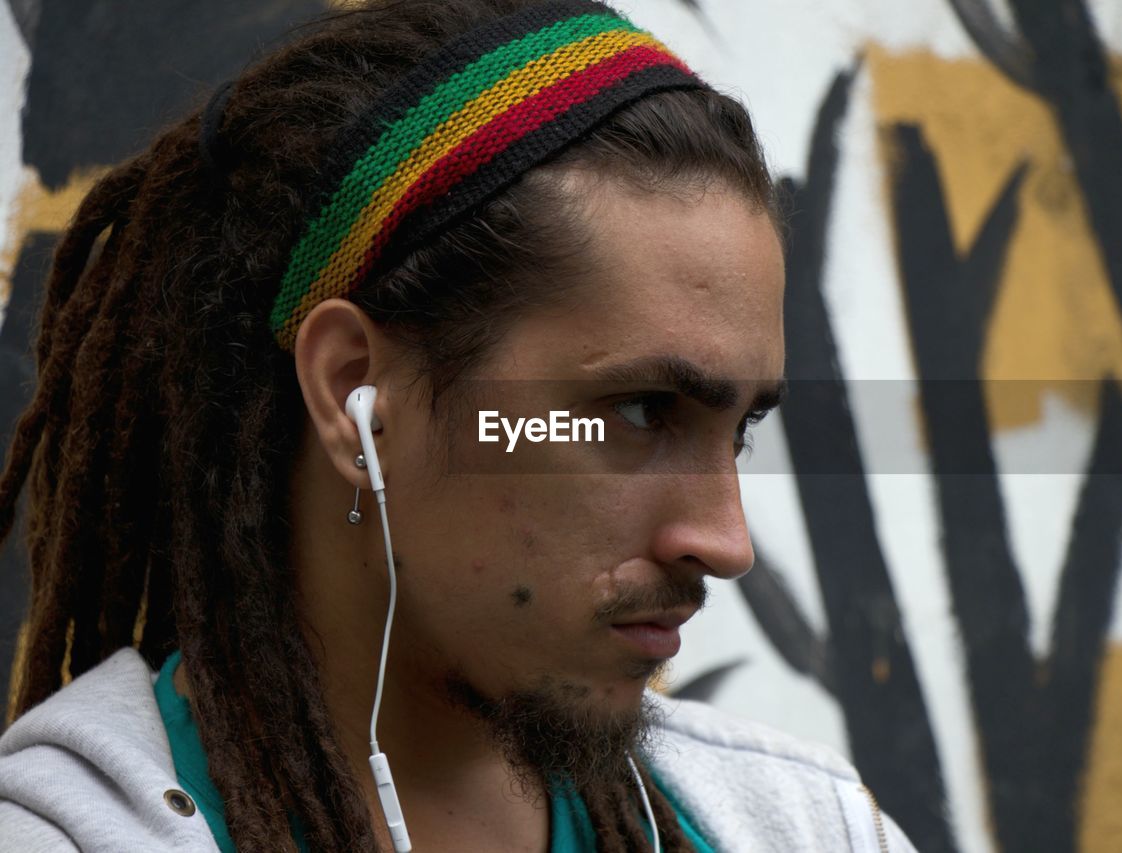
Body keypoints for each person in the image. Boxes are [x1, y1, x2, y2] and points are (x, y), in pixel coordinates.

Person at [0, 0, 918, 850]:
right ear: (357, 391)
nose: (724, 542)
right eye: (640, 412)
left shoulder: (799, 825)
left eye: (740, 428)